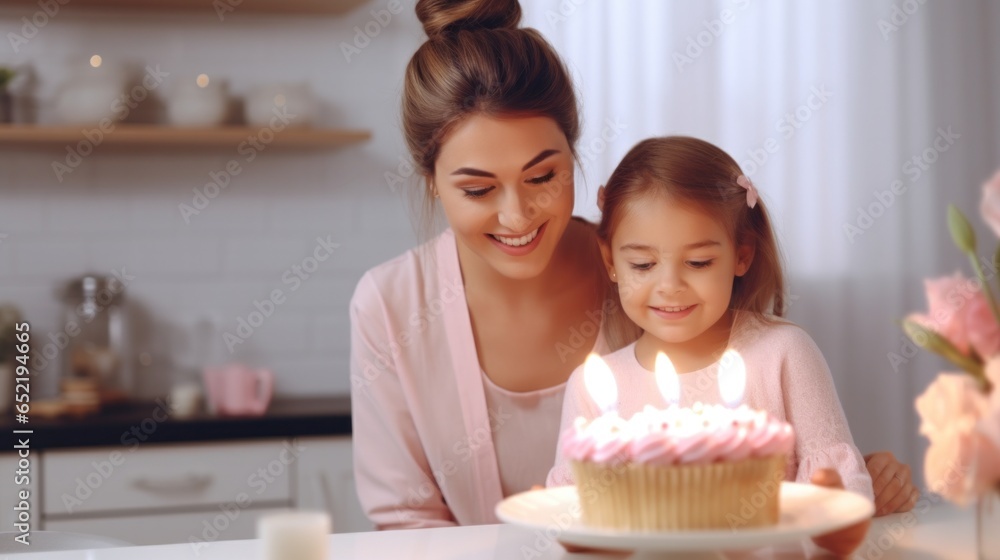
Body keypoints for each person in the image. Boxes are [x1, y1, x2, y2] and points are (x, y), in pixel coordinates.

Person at [350, 0, 915, 531]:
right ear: (431, 181)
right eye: (477, 189)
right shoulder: (390, 308)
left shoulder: (652, 275)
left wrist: (843, 485)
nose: (516, 214)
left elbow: (753, 446)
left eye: (543, 177)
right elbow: (407, 526)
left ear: (573, 156)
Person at [545, 136, 898, 554]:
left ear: (741, 255)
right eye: (642, 264)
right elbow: (568, 512)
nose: (670, 287)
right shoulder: (593, 385)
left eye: (698, 262)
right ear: (611, 263)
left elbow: (840, 486)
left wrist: (843, 504)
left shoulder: (783, 353)